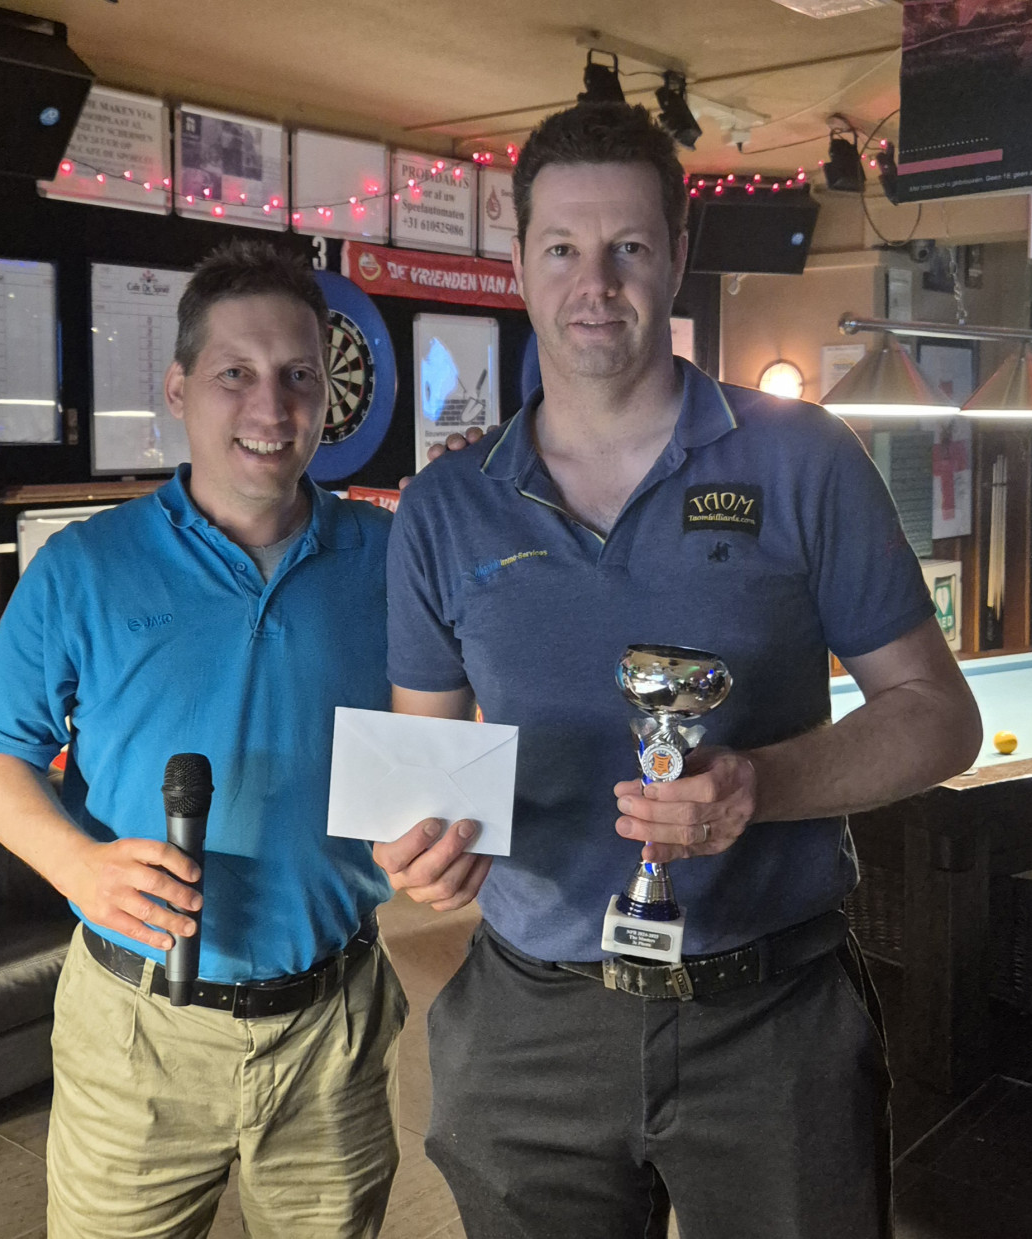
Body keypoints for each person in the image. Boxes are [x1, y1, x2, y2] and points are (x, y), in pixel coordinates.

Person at [377, 102, 983, 1239]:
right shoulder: (444, 506)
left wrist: (762, 785)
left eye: (628, 247)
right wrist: (422, 850)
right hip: (528, 1027)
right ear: (517, 261)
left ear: (676, 254)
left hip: (770, 1017)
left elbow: (939, 718)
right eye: (562, 248)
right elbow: (427, 760)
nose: (594, 283)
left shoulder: (803, 459)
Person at [0, 239, 409, 1239]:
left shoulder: (390, 556)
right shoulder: (86, 566)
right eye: (235, 374)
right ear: (178, 389)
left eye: (299, 376)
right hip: (136, 1037)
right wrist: (77, 864)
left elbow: (449, 719)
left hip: (332, 1034)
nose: (272, 407)